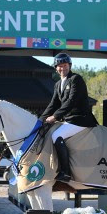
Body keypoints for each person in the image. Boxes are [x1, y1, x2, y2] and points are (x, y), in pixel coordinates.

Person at [39, 53, 98, 182]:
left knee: (56, 136)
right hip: (69, 120)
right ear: (56, 68)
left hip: (80, 119)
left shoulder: (76, 79)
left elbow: (71, 101)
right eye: (59, 66)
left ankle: (65, 172)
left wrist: (55, 117)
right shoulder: (58, 84)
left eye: (65, 65)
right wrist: (40, 120)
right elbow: (53, 104)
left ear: (69, 66)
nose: (62, 68)